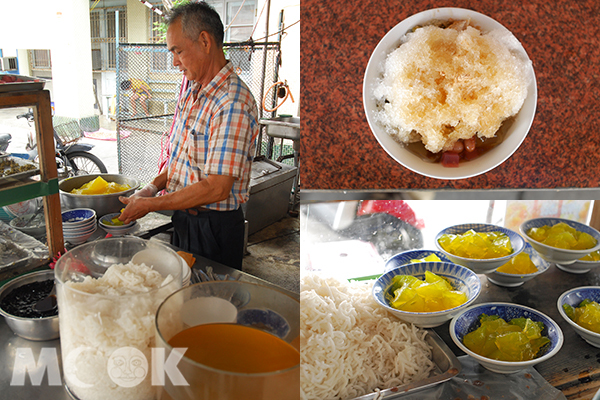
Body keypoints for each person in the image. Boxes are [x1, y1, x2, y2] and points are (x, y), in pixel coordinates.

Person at [118, 1, 259, 270]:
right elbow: (181, 160)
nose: (174, 62)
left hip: (214, 227)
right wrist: (152, 187)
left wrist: (151, 204)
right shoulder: (192, 92)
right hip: (185, 218)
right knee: (182, 293)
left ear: (205, 41)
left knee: (211, 302)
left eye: (178, 51)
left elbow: (217, 187)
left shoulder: (231, 102)